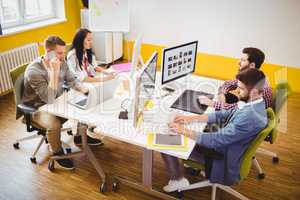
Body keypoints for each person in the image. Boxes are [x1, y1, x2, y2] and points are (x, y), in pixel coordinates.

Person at [161, 68, 268, 192]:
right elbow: (223, 114)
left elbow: (216, 140)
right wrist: (190, 118)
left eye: (241, 89)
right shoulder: (254, 104)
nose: (237, 91)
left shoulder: (250, 117)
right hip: (226, 144)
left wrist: (183, 130)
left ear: (254, 91)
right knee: (186, 132)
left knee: (165, 142)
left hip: (221, 157)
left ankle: (178, 181)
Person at [22, 36, 102, 170]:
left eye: (64, 52)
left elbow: (71, 80)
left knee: (83, 105)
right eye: (59, 53)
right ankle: (57, 152)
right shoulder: (34, 71)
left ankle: (79, 137)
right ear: (48, 52)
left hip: (57, 102)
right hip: (37, 109)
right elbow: (49, 98)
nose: (63, 56)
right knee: (54, 123)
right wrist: (54, 72)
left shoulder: (62, 61)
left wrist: (84, 89)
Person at [199, 47, 273, 110]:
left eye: (243, 60)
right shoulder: (253, 75)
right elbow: (229, 83)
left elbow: (241, 109)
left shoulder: (257, 86)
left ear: (252, 65)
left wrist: (211, 103)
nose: (239, 62)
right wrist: (222, 94)